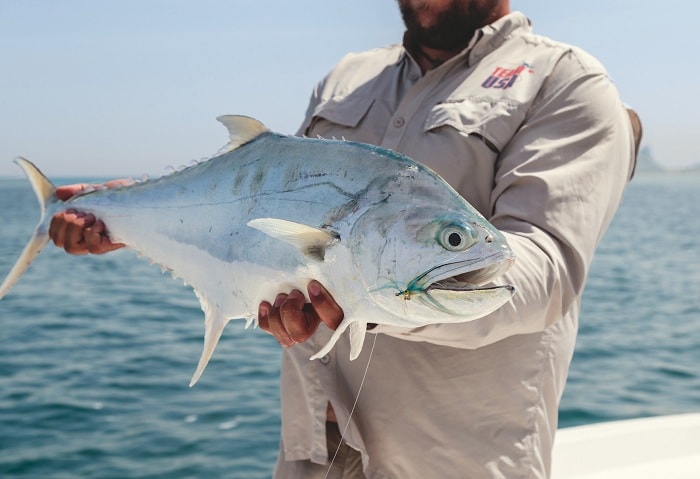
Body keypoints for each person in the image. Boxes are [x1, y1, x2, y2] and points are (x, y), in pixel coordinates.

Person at [49, 1, 640, 477]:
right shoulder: (347, 78)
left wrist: (373, 297)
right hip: (312, 439)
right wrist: (127, 214)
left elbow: (544, 272)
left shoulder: (566, 82)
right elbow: (252, 204)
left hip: (453, 456)